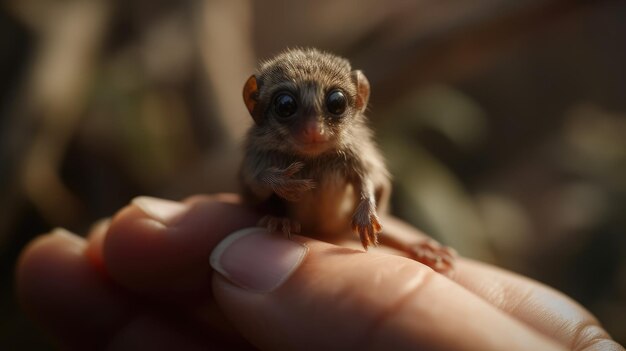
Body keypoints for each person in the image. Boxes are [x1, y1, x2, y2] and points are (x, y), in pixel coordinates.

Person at [16, 195, 624, 350]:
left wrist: (370, 215)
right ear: (258, 102)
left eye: (330, 108)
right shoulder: (265, 152)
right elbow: (257, 184)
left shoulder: (352, 149)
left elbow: (368, 187)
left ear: (355, 99)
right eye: (287, 109)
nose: (311, 126)